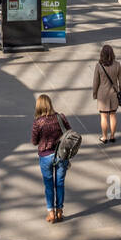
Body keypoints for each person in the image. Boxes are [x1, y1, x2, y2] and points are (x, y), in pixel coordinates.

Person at [31, 94, 71, 223]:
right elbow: (69, 133)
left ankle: (51, 213)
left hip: (45, 156)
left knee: (49, 185)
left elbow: (34, 141)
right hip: (61, 155)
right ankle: (60, 211)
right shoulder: (60, 117)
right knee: (60, 184)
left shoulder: (38, 122)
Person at [92, 44, 121, 144]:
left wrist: (94, 93)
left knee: (104, 116)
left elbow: (95, 81)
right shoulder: (117, 65)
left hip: (102, 95)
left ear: (102, 54)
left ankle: (104, 137)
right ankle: (113, 136)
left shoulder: (99, 66)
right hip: (114, 93)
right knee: (113, 115)